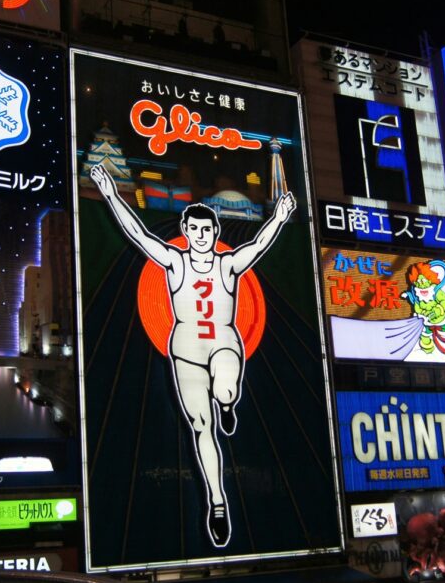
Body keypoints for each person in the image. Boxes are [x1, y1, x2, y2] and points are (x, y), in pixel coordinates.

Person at [90, 163, 295, 548]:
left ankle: (229, 402)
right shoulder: (174, 261)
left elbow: (259, 244)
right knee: (203, 427)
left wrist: (280, 217)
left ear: (215, 233)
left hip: (223, 342)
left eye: (207, 229)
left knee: (226, 390)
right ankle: (218, 502)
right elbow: (137, 233)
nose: (200, 235)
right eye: (194, 230)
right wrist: (110, 193)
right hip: (185, 349)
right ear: (186, 233)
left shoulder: (228, 264)